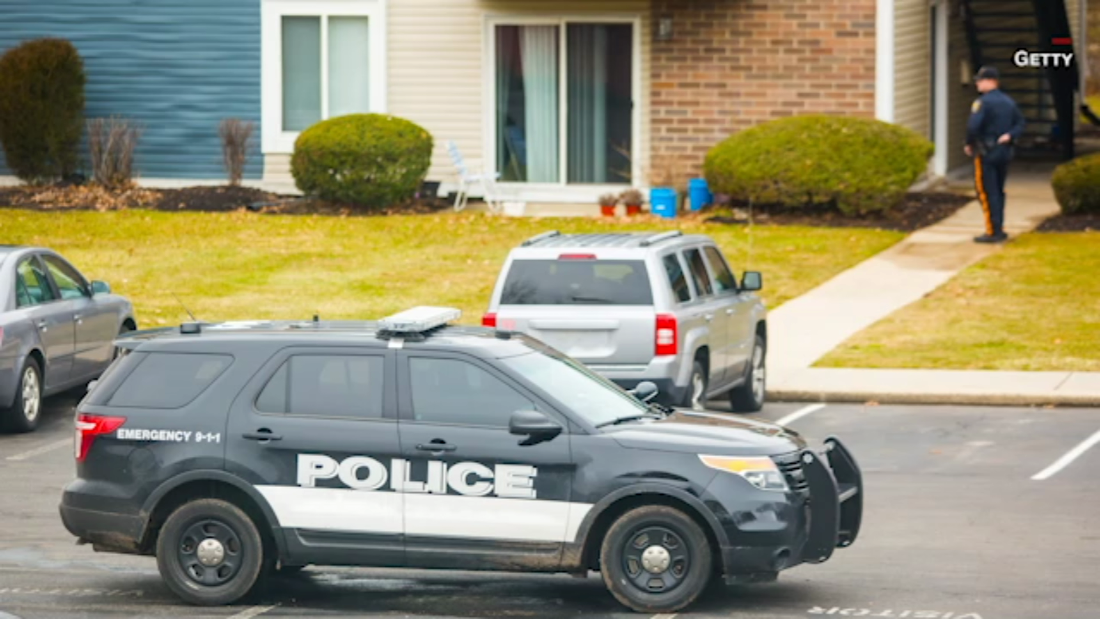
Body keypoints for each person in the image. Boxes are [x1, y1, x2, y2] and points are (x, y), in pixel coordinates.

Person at [965, 66, 1026, 243]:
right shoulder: (1009, 102)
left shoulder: (983, 103)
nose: (977, 83)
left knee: (985, 190)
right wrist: (1010, 135)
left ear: (991, 81)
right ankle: (999, 226)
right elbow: (1020, 123)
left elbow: (973, 126)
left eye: (980, 80)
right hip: (1004, 151)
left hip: (986, 151)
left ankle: (993, 230)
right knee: (999, 190)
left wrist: (969, 143)